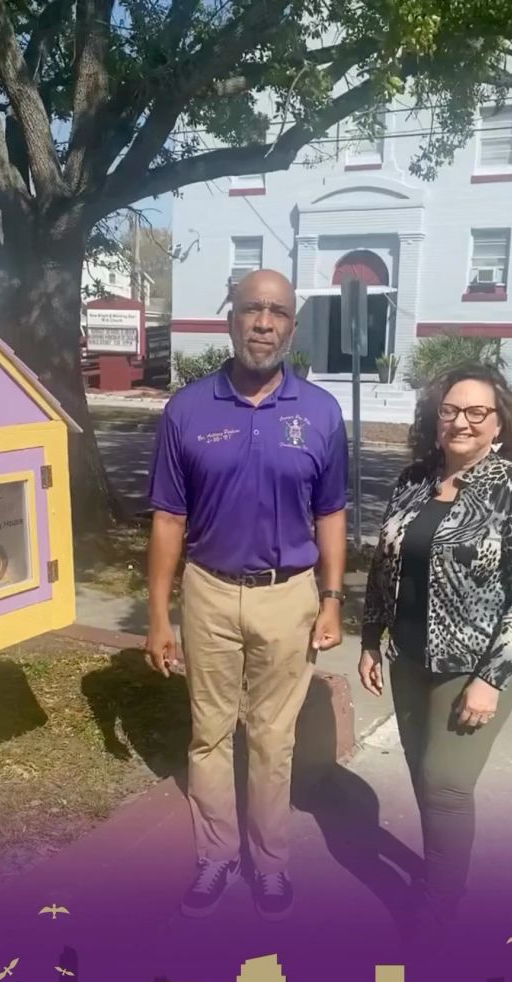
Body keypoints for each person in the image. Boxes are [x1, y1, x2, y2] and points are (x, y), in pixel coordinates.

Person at [145, 269, 348, 920]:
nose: (264, 321)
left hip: (287, 595)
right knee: (208, 734)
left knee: (271, 738)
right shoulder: (187, 410)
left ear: (292, 324)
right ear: (229, 317)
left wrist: (332, 597)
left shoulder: (320, 413)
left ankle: (271, 862)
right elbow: (168, 519)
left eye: (278, 311)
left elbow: (333, 513)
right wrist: (157, 615)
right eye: (252, 308)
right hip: (207, 590)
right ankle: (215, 857)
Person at [358, 363, 512, 944]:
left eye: (476, 412)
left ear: (498, 422)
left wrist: (491, 678)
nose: (461, 422)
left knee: (445, 784)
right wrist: (371, 639)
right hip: (409, 659)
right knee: (424, 778)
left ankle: (437, 917)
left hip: (473, 667)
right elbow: (384, 565)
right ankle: (443, 873)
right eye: (450, 410)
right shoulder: (414, 478)